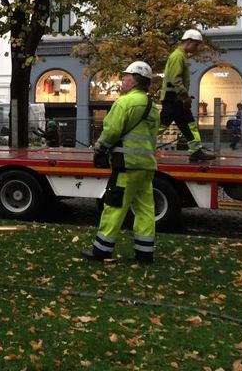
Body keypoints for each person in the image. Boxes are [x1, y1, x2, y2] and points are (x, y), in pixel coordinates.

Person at [82, 61, 160, 264]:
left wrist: (100, 148)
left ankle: (102, 251)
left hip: (126, 165)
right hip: (146, 166)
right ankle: (145, 254)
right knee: (145, 210)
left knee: (115, 206)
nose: (122, 79)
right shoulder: (153, 107)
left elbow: (112, 131)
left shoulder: (124, 103)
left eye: (125, 76)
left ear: (135, 81)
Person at [159, 29, 216, 162]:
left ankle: (196, 151)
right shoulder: (178, 56)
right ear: (189, 42)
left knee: (189, 124)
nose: (197, 48)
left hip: (175, 98)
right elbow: (175, 79)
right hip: (173, 99)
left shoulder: (181, 55)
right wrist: (185, 96)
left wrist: (184, 97)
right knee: (162, 125)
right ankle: (140, 145)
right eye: (196, 45)